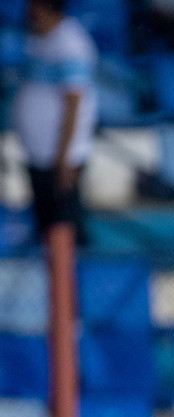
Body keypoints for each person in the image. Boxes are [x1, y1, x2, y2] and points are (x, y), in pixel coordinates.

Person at [15, 0, 96, 242]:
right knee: (46, 227)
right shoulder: (39, 37)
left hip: (60, 155)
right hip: (39, 151)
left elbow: (74, 106)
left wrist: (65, 156)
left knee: (65, 228)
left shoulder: (71, 44)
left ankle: (70, 279)